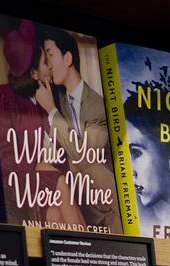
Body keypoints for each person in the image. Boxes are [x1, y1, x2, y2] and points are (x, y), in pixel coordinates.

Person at [39, 27, 116, 230]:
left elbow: (85, 155)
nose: (48, 65)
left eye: (51, 55)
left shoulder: (98, 107)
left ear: (67, 59)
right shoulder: (60, 99)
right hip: (79, 202)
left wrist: (52, 112)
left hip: (109, 210)